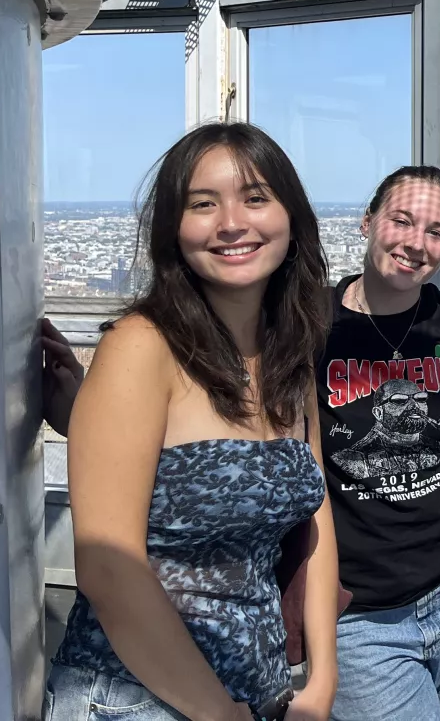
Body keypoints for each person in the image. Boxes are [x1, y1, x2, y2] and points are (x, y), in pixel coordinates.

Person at [46, 122, 339, 721]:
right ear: (173, 230)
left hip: (259, 693)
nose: (231, 223)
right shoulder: (142, 347)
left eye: (255, 198)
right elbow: (107, 568)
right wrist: (216, 713)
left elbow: (318, 520)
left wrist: (322, 680)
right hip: (130, 698)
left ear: (292, 215)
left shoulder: (290, 355)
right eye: (202, 205)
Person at [322, 165, 440, 721]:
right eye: (401, 221)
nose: (416, 243)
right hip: (359, 612)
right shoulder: (314, 324)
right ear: (367, 222)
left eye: (436, 231)